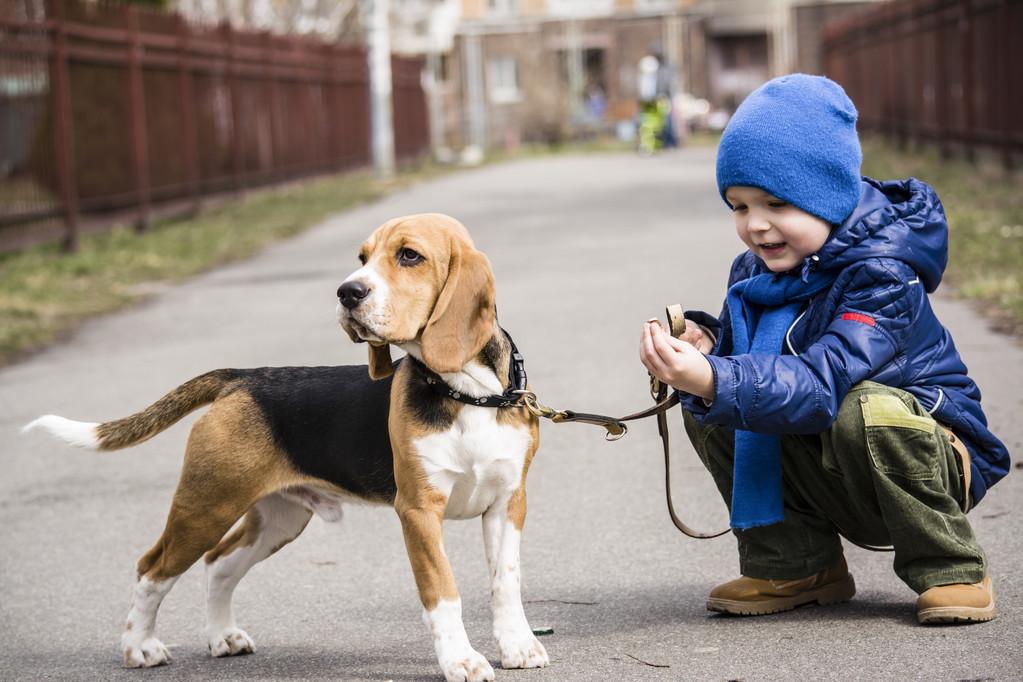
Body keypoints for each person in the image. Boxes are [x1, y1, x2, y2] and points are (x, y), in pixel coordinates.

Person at [638, 73, 1010, 624]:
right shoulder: (755, 271)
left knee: (865, 409)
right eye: (738, 207)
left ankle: (949, 565)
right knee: (716, 407)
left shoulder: (882, 276)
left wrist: (718, 377)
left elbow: (818, 382)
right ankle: (795, 564)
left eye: (775, 203)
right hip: (835, 459)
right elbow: (756, 372)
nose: (755, 225)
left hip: (927, 462)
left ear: (829, 196)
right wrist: (708, 348)